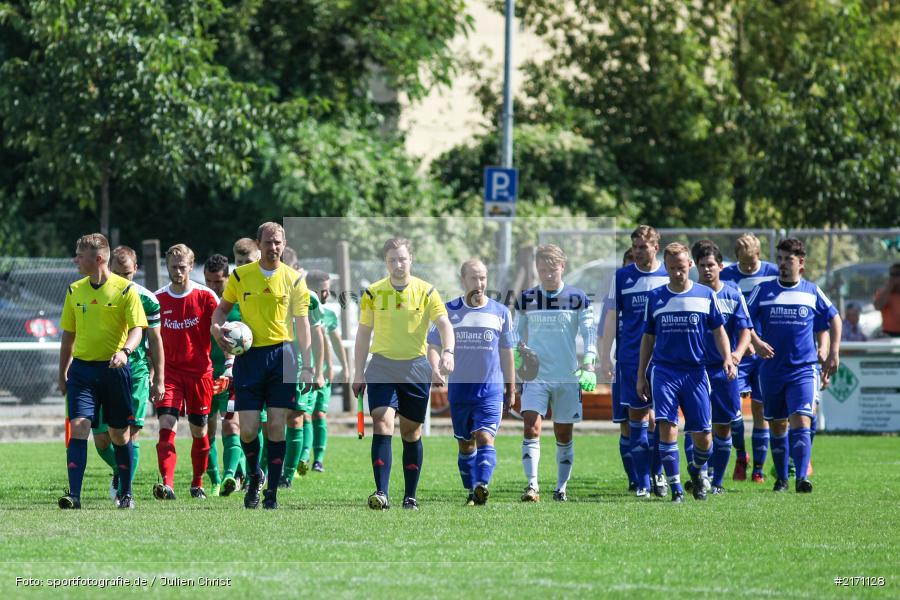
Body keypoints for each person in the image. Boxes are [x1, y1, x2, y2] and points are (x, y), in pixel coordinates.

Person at [211, 222, 313, 510]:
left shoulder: (294, 279)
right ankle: (255, 475)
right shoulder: (242, 276)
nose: (274, 247)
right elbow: (221, 309)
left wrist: (307, 365)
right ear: (259, 244)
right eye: (268, 242)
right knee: (248, 429)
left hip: (284, 355)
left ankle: (271, 493)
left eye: (278, 242)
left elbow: (303, 323)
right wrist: (217, 328)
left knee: (278, 426)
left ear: (284, 243)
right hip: (249, 357)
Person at [352, 238, 454, 511]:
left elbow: (444, 324)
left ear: (411, 259)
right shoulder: (373, 292)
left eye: (402, 259)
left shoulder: (426, 291)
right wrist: (357, 372)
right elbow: (363, 335)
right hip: (382, 366)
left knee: (411, 432)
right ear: (386, 262)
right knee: (382, 422)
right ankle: (381, 493)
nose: (398, 264)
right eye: (392, 260)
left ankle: (410, 496)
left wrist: (448, 352)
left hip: (415, 368)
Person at [637, 243, 737, 502]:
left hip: (695, 372)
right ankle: (676, 488)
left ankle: (696, 468)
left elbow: (719, 330)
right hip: (665, 371)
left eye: (681, 268)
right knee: (667, 428)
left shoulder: (705, 295)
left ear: (690, 265)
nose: (677, 273)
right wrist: (641, 374)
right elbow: (647, 338)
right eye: (671, 269)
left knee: (704, 438)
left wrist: (727, 357)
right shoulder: (655, 297)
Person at [58, 234, 148, 509]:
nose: (76, 260)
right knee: (79, 427)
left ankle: (126, 493)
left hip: (114, 369)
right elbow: (68, 334)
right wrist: (63, 372)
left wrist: (125, 352)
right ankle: (74, 495)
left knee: (119, 434)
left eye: (80, 255)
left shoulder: (125, 290)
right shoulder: (74, 290)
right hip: (83, 371)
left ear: (97, 259)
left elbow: (137, 329)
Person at [748, 238, 841, 493]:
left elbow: (834, 318)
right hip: (771, 369)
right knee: (778, 424)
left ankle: (801, 478)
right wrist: (755, 342)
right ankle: (781, 479)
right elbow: (743, 318)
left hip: (803, 369)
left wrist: (832, 351)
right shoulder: (764, 290)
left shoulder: (811, 291)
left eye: (788, 259)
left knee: (802, 421)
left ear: (801, 263)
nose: (782, 264)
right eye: (779, 259)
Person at [427, 259, 515, 505]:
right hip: (460, 391)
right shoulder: (448, 311)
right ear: (462, 280)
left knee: (485, 437)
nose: (480, 283)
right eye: (474, 278)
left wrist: (511, 387)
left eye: (483, 278)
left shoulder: (501, 312)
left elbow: (508, 352)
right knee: (466, 445)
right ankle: (471, 490)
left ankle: (481, 486)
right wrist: (435, 368)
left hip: (490, 389)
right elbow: (433, 344)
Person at [517, 244, 597, 503]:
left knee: (563, 434)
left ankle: (561, 488)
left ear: (563, 267)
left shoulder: (578, 297)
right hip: (536, 376)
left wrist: (589, 363)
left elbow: (588, 332)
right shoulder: (527, 298)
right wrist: (518, 355)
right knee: (531, 427)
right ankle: (532, 487)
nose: (548, 274)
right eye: (542, 270)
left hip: (566, 376)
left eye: (552, 269)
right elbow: (517, 334)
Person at [598, 226, 669, 498]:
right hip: (629, 359)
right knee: (636, 420)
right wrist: (605, 357)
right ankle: (641, 482)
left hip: (664, 360)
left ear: (655, 247)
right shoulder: (622, 277)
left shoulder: (667, 276)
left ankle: (659, 474)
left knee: (662, 421)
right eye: (635, 247)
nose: (638, 252)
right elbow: (612, 318)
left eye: (643, 247)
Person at [91, 246, 164, 503]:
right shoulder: (100, 293)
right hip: (103, 372)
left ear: (136, 270)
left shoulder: (147, 299)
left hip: (135, 373)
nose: (123, 279)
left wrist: (159, 379)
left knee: (129, 434)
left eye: (127, 273)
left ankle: (125, 492)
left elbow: (155, 341)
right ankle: (120, 470)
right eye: (117, 273)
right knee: (101, 439)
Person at [153, 244, 220, 501]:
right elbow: (153, 341)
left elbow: (219, 331)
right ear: (167, 267)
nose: (178, 271)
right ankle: (167, 485)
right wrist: (154, 374)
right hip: (169, 373)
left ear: (191, 267)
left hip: (200, 373)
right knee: (166, 426)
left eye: (183, 267)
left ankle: (197, 483)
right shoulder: (158, 299)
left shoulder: (206, 297)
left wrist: (228, 365)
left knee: (199, 431)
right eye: (174, 267)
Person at [691, 240, 752, 494]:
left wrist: (736, 356)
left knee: (723, 425)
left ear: (721, 267)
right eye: (702, 265)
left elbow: (746, 329)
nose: (707, 270)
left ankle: (716, 482)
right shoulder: (690, 293)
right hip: (696, 368)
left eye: (711, 265)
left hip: (724, 369)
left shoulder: (733, 293)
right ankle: (700, 475)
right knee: (697, 425)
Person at [720, 233, 779, 482]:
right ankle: (741, 455)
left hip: (766, 351)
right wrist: (747, 343)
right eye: (741, 263)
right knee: (733, 410)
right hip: (738, 352)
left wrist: (759, 341)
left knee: (760, 407)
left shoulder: (773, 272)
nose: (745, 268)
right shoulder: (727, 276)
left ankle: (758, 468)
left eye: (750, 263)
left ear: (759, 255)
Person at [203, 253, 243, 496]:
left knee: (231, 424)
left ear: (228, 277)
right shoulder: (203, 302)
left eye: (218, 281)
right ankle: (215, 480)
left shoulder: (240, 305)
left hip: (232, 376)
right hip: (205, 375)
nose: (214, 287)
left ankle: (231, 475)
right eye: (209, 281)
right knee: (206, 428)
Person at [280, 275, 324, 487]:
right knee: (267, 421)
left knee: (297, 418)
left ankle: (287, 476)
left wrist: (319, 371)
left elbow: (318, 336)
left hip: (298, 365)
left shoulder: (310, 299)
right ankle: (260, 471)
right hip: (271, 361)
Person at [305, 270, 349, 472]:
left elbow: (335, 340)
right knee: (303, 415)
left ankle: (318, 460)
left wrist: (344, 366)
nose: (326, 295)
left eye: (328, 290)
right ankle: (302, 457)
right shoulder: (301, 310)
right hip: (303, 371)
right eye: (322, 291)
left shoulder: (329, 314)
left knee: (320, 414)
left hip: (323, 372)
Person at [873, 263, 900, 337]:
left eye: (897, 274)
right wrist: (888, 288)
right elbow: (877, 306)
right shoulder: (883, 292)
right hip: (888, 333)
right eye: (892, 274)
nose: (894, 278)